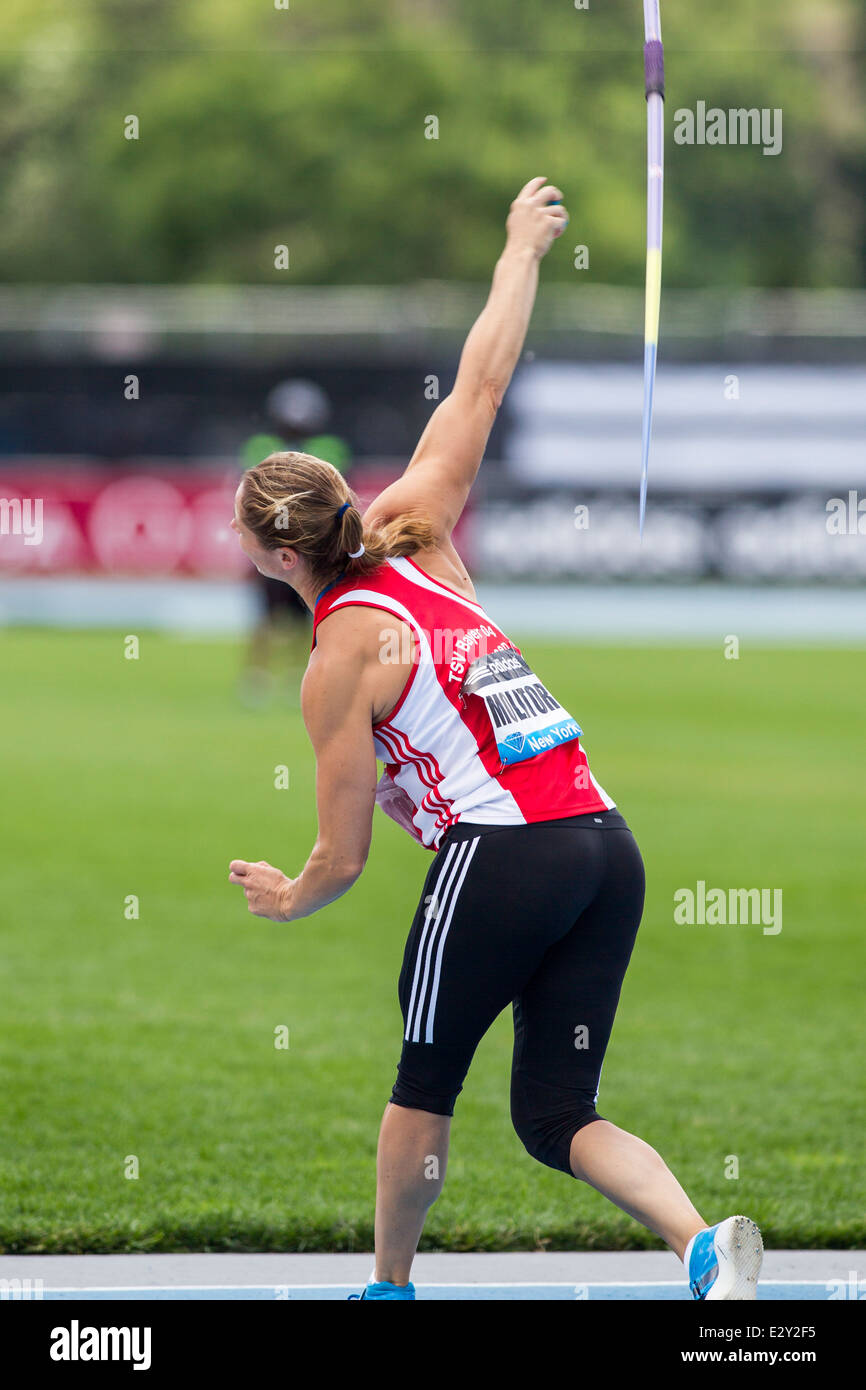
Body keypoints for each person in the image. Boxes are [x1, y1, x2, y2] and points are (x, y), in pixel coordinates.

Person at [227, 177, 763, 1302]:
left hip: (502, 856)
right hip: (603, 845)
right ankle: (700, 1245)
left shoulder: (335, 661)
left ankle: (386, 1287)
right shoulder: (416, 526)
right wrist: (521, 248)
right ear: (343, 503)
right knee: (555, 1111)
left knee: (423, 1083)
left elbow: (342, 860)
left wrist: (286, 896)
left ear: (279, 561)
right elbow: (481, 375)